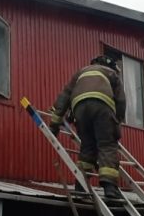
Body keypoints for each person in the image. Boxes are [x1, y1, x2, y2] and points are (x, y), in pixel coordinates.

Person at [50, 55, 126, 199]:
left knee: (87, 147)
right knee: (107, 145)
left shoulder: (80, 73)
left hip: (79, 109)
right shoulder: (111, 73)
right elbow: (121, 100)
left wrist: (54, 125)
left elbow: (64, 97)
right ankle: (110, 188)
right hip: (102, 107)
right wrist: (118, 120)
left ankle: (80, 186)